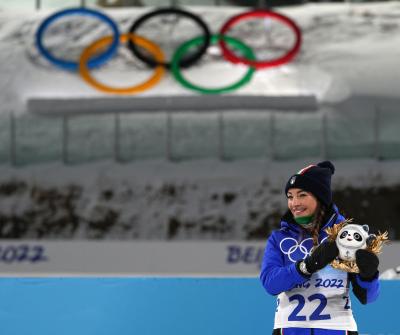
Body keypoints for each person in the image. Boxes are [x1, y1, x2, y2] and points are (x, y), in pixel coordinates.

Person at [260, 161, 380, 335]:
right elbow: (270, 284)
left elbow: (369, 298)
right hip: (289, 331)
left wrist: (368, 275)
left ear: (320, 197)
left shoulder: (348, 237)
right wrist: (306, 266)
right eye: (290, 196)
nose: (294, 203)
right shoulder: (279, 238)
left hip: (339, 330)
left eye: (302, 195)